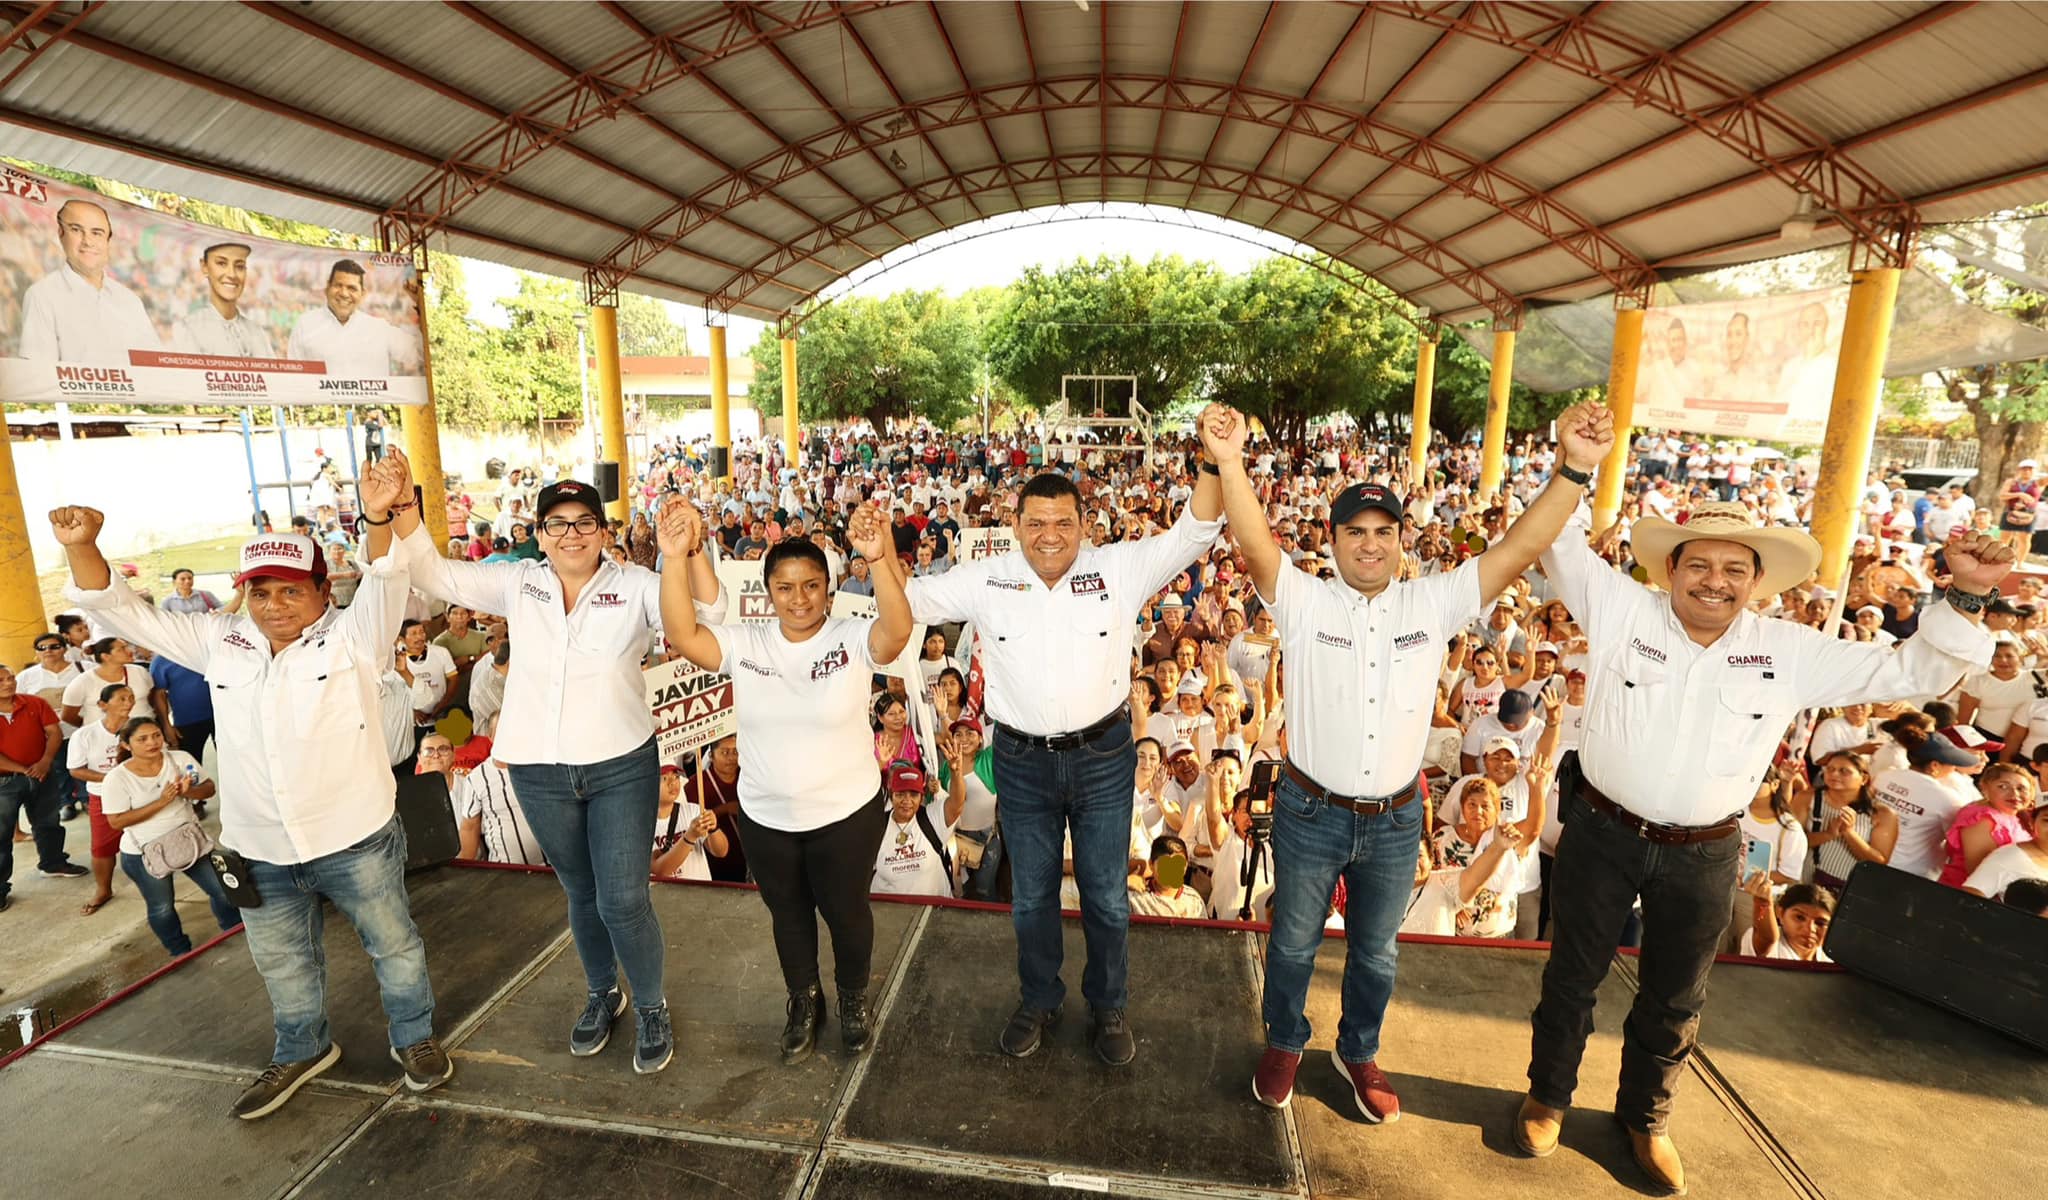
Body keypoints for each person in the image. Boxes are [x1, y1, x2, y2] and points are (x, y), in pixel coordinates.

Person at [1515, 496, 2010, 1196]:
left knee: (1677, 996)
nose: (1714, 580)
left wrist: (1969, 591)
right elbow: (1555, 541)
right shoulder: (1621, 608)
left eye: (1734, 569)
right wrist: (1571, 464)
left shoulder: (1790, 650)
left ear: (1756, 581)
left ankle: (1645, 1119)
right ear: (1670, 568)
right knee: (1571, 978)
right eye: (1700, 564)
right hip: (1602, 833)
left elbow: (1913, 677)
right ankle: (1548, 1097)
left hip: (1706, 850)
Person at [1209, 399, 1614, 1119]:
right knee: (1295, 942)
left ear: (1402, 540)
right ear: (1332, 540)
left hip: (1397, 819)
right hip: (1308, 811)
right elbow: (1252, 541)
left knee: (1376, 954)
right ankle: (1284, 1041)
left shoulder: (1433, 602)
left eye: (1383, 533)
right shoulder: (1300, 600)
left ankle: (1358, 1050)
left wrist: (1576, 469)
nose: (1370, 545)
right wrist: (1231, 459)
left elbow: (1519, 548)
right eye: (1356, 532)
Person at [49, 448, 454, 1120]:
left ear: (324, 592)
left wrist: (379, 515)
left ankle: (415, 1039)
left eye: (291, 590)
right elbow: (121, 612)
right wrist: (84, 548)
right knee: (283, 964)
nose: (274, 606)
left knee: (396, 947)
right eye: (260, 591)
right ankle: (302, 1048)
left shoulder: (355, 638)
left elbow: (385, 578)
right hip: (258, 847)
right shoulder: (220, 640)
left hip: (354, 839)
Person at [903, 413, 1230, 1068]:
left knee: (1107, 894)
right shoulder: (986, 578)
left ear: (1086, 526)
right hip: (1021, 762)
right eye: (1036, 524)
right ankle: (1040, 998)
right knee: (1031, 897)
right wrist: (880, 555)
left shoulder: (1120, 567)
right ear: (1016, 524)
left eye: (1063, 524)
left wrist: (1216, 460)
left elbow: (1196, 531)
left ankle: (1108, 1005)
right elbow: (906, 602)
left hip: (1106, 758)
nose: (1050, 536)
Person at [390, 459, 724, 1077]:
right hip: (539, 771)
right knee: (581, 891)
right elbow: (434, 573)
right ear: (539, 533)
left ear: (604, 531)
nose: (572, 534)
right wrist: (404, 511)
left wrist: (692, 548)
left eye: (585, 523)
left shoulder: (638, 585)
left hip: (621, 767)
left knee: (624, 898)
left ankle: (651, 1005)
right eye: (558, 524)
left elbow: (712, 613)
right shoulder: (518, 583)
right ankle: (604, 992)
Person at [658, 495, 911, 1065]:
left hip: (845, 816)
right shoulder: (746, 643)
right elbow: (683, 633)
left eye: (812, 585)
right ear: (768, 592)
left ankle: (852, 1000)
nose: (800, 599)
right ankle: (804, 999)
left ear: (828, 587)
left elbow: (896, 632)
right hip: (767, 819)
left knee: (847, 914)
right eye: (786, 588)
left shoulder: (850, 637)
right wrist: (676, 556)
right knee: (789, 917)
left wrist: (880, 556)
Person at [98, 714, 239, 957]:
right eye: (142, 739)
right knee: (162, 907)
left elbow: (209, 789)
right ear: (126, 745)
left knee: (222, 889)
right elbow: (116, 821)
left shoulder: (180, 759)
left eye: (156, 736)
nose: (152, 742)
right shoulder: (117, 778)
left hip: (189, 840)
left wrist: (189, 791)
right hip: (145, 852)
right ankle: (179, 951)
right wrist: (162, 802)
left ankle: (233, 929)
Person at [19, 198, 160, 360]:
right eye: (76, 230)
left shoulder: (130, 300)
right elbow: (39, 374)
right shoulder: (42, 296)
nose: (88, 241)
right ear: (61, 234)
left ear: (108, 241)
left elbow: (153, 365)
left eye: (97, 233)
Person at [0, 664, 86, 912]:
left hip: (42, 773)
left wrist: (45, 762)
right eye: (2, 680)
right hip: (5, 781)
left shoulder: (34, 703)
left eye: (11, 677)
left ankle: (53, 863)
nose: (9, 682)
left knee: (48, 821)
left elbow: (54, 732)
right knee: (2, 835)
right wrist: (24, 769)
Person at [65, 682, 134, 915]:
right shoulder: (85, 734)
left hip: (140, 795)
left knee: (149, 839)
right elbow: (76, 769)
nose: (129, 703)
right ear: (103, 705)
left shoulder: (140, 729)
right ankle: (103, 889)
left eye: (131, 697)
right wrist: (112, 779)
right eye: (122, 699)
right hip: (103, 797)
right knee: (102, 847)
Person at [286, 260, 405, 376]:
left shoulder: (378, 328)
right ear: (327, 288)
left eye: (352, 288)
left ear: (362, 294)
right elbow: (294, 377)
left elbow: (418, 352)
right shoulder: (306, 324)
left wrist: (419, 299)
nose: (344, 293)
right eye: (338, 285)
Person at [872, 760, 964, 898]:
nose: (907, 801)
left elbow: (956, 804)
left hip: (934, 911)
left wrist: (956, 773)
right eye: (900, 794)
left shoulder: (931, 819)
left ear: (921, 797)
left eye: (913, 794)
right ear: (891, 795)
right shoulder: (877, 826)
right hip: (890, 914)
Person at [169, 241, 277, 357]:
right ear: (204, 267)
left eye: (240, 266)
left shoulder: (257, 332)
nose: (232, 274)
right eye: (221, 263)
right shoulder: (188, 328)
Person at [1938, 761, 2035, 888]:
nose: (2014, 794)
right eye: (2003, 787)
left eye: (2021, 788)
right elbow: (1978, 872)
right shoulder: (1981, 819)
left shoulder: (2016, 816)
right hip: (1965, 896)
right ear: (1985, 788)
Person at [651, 763, 727, 882]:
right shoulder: (641, 825)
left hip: (700, 894)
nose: (673, 783)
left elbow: (721, 852)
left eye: (676, 777)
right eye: (664, 778)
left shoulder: (694, 811)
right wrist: (690, 836)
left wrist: (713, 828)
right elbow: (661, 870)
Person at [1737, 875, 1835, 962]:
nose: (1810, 928)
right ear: (1780, 912)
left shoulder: (1830, 958)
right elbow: (1767, 938)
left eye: (1820, 923)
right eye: (1800, 917)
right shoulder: (1773, 945)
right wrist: (1763, 902)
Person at [162, 568, 228, 615]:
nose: (187, 581)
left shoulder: (206, 594)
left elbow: (223, 607)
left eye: (190, 578)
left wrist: (216, 611)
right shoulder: (168, 601)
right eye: (183, 579)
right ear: (174, 582)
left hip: (207, 630)